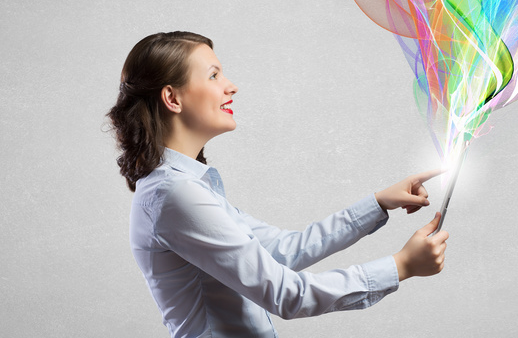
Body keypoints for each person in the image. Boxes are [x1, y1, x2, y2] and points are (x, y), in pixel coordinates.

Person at [107, 31, 449, 338]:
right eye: (213, 75)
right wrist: (401, 265)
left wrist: (377, 203)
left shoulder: (187, 187)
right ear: (173, 98)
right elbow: (287, 295)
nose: (231, 85)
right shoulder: (175, 194)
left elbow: (284, 251)